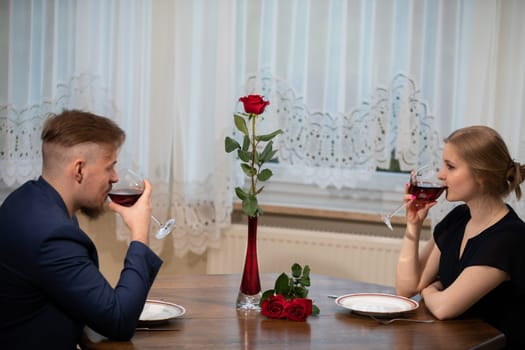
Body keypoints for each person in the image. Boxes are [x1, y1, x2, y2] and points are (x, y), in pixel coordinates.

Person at [0, 110, 163, 349]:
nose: (115, 178)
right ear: (79, 170)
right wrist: (139, 234)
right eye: (109, 167)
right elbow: (119, 321)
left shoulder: (26, 200)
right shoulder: (51, 235)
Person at [396, 125, 525, 349]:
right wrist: (413, 225)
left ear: (481, 176)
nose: (440, 174)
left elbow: (444, 308)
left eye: (450, 166)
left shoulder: (509, 237)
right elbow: (407, 289)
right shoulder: (459, 218)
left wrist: (429, 289)